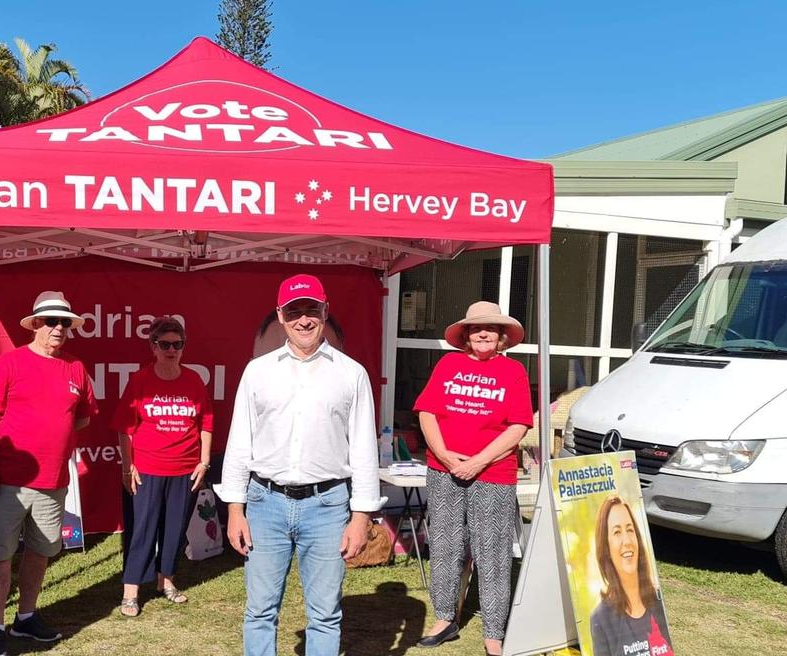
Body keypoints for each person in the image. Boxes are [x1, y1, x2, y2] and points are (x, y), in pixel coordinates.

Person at [218, 274, 383, 656]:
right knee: (260, 610)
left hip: (327, 507)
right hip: (264, 504)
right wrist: (235, 509)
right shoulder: (258, 371)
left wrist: (361, 517)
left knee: (325, 614)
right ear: (280, 316)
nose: (303, 320)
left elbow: (362, 450)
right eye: (294, 311)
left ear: (325, 312)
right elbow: (240, 444)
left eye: (311, 310)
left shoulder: (351, 374)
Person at [0, 290, 96, 656]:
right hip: (8, 480)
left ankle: (25, 617)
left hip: (53, 481)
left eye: (65, 323)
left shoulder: (76, 367)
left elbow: (84, 417)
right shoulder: (11, 363)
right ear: (36, 325)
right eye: (52, 321)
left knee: (40, 552)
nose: (59, 328)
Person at [415, 301, 532, 655]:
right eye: (476, 328)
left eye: (491, 329)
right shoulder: (448, 364)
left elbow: (519, 426)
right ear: (466, 334)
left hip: (493, 474)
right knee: (446, 545)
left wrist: (478, 461)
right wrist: (447, 456)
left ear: (501, 338)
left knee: (492, 552)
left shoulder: (514, 372)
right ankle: (445, 618)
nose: (483, 333)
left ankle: (494, 634)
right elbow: (427, 413)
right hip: (444, 470)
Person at [116, 316, 213, 617]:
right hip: (147, 468)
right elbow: (124, 427)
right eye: (165, 344)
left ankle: (166, 581)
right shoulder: (140, 380)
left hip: (184, 469)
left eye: (177, 344)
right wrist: (127, 466)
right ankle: (131, 590)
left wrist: (204, 461)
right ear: (153, 347)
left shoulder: (194, 380)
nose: (172, 350)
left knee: (174, 529)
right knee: (142, 529)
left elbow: (206, 422)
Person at [589, 496, 674, 656]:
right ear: (606, 547)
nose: (627, 540)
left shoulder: (660, 602)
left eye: (630, 530)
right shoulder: (601, 619)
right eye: (617, 532)